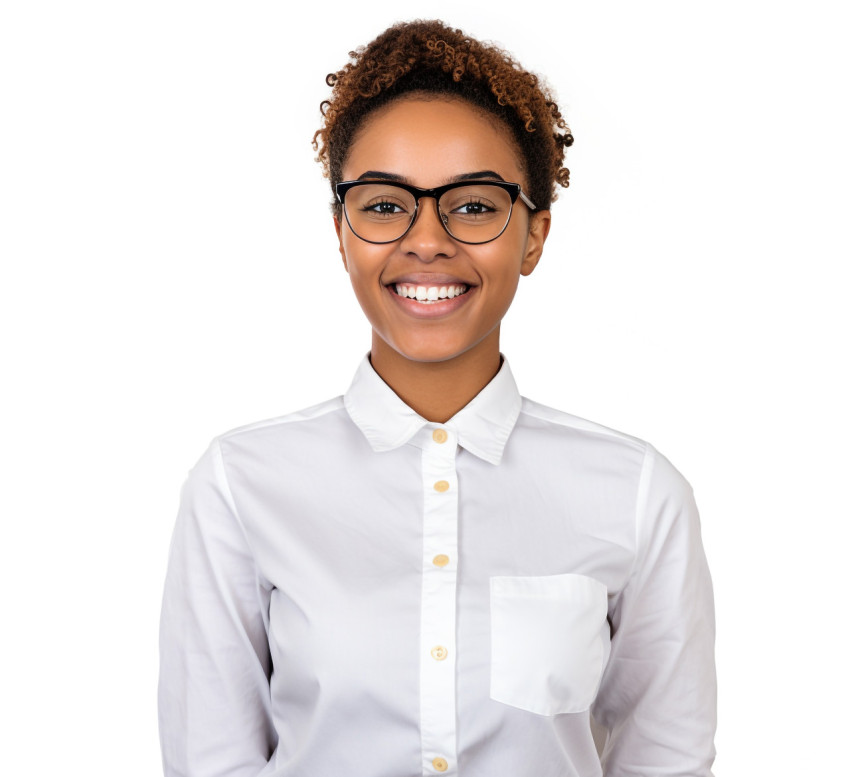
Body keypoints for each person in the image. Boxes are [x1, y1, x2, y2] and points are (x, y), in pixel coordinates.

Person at [158, 19, 716, 777]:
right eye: (386, 205)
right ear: (342, 231)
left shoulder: (637, 493)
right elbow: (209, 762)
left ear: (534, 235)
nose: (427, 240)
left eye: (475, 206)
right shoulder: (240, 483)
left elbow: (667, 763)